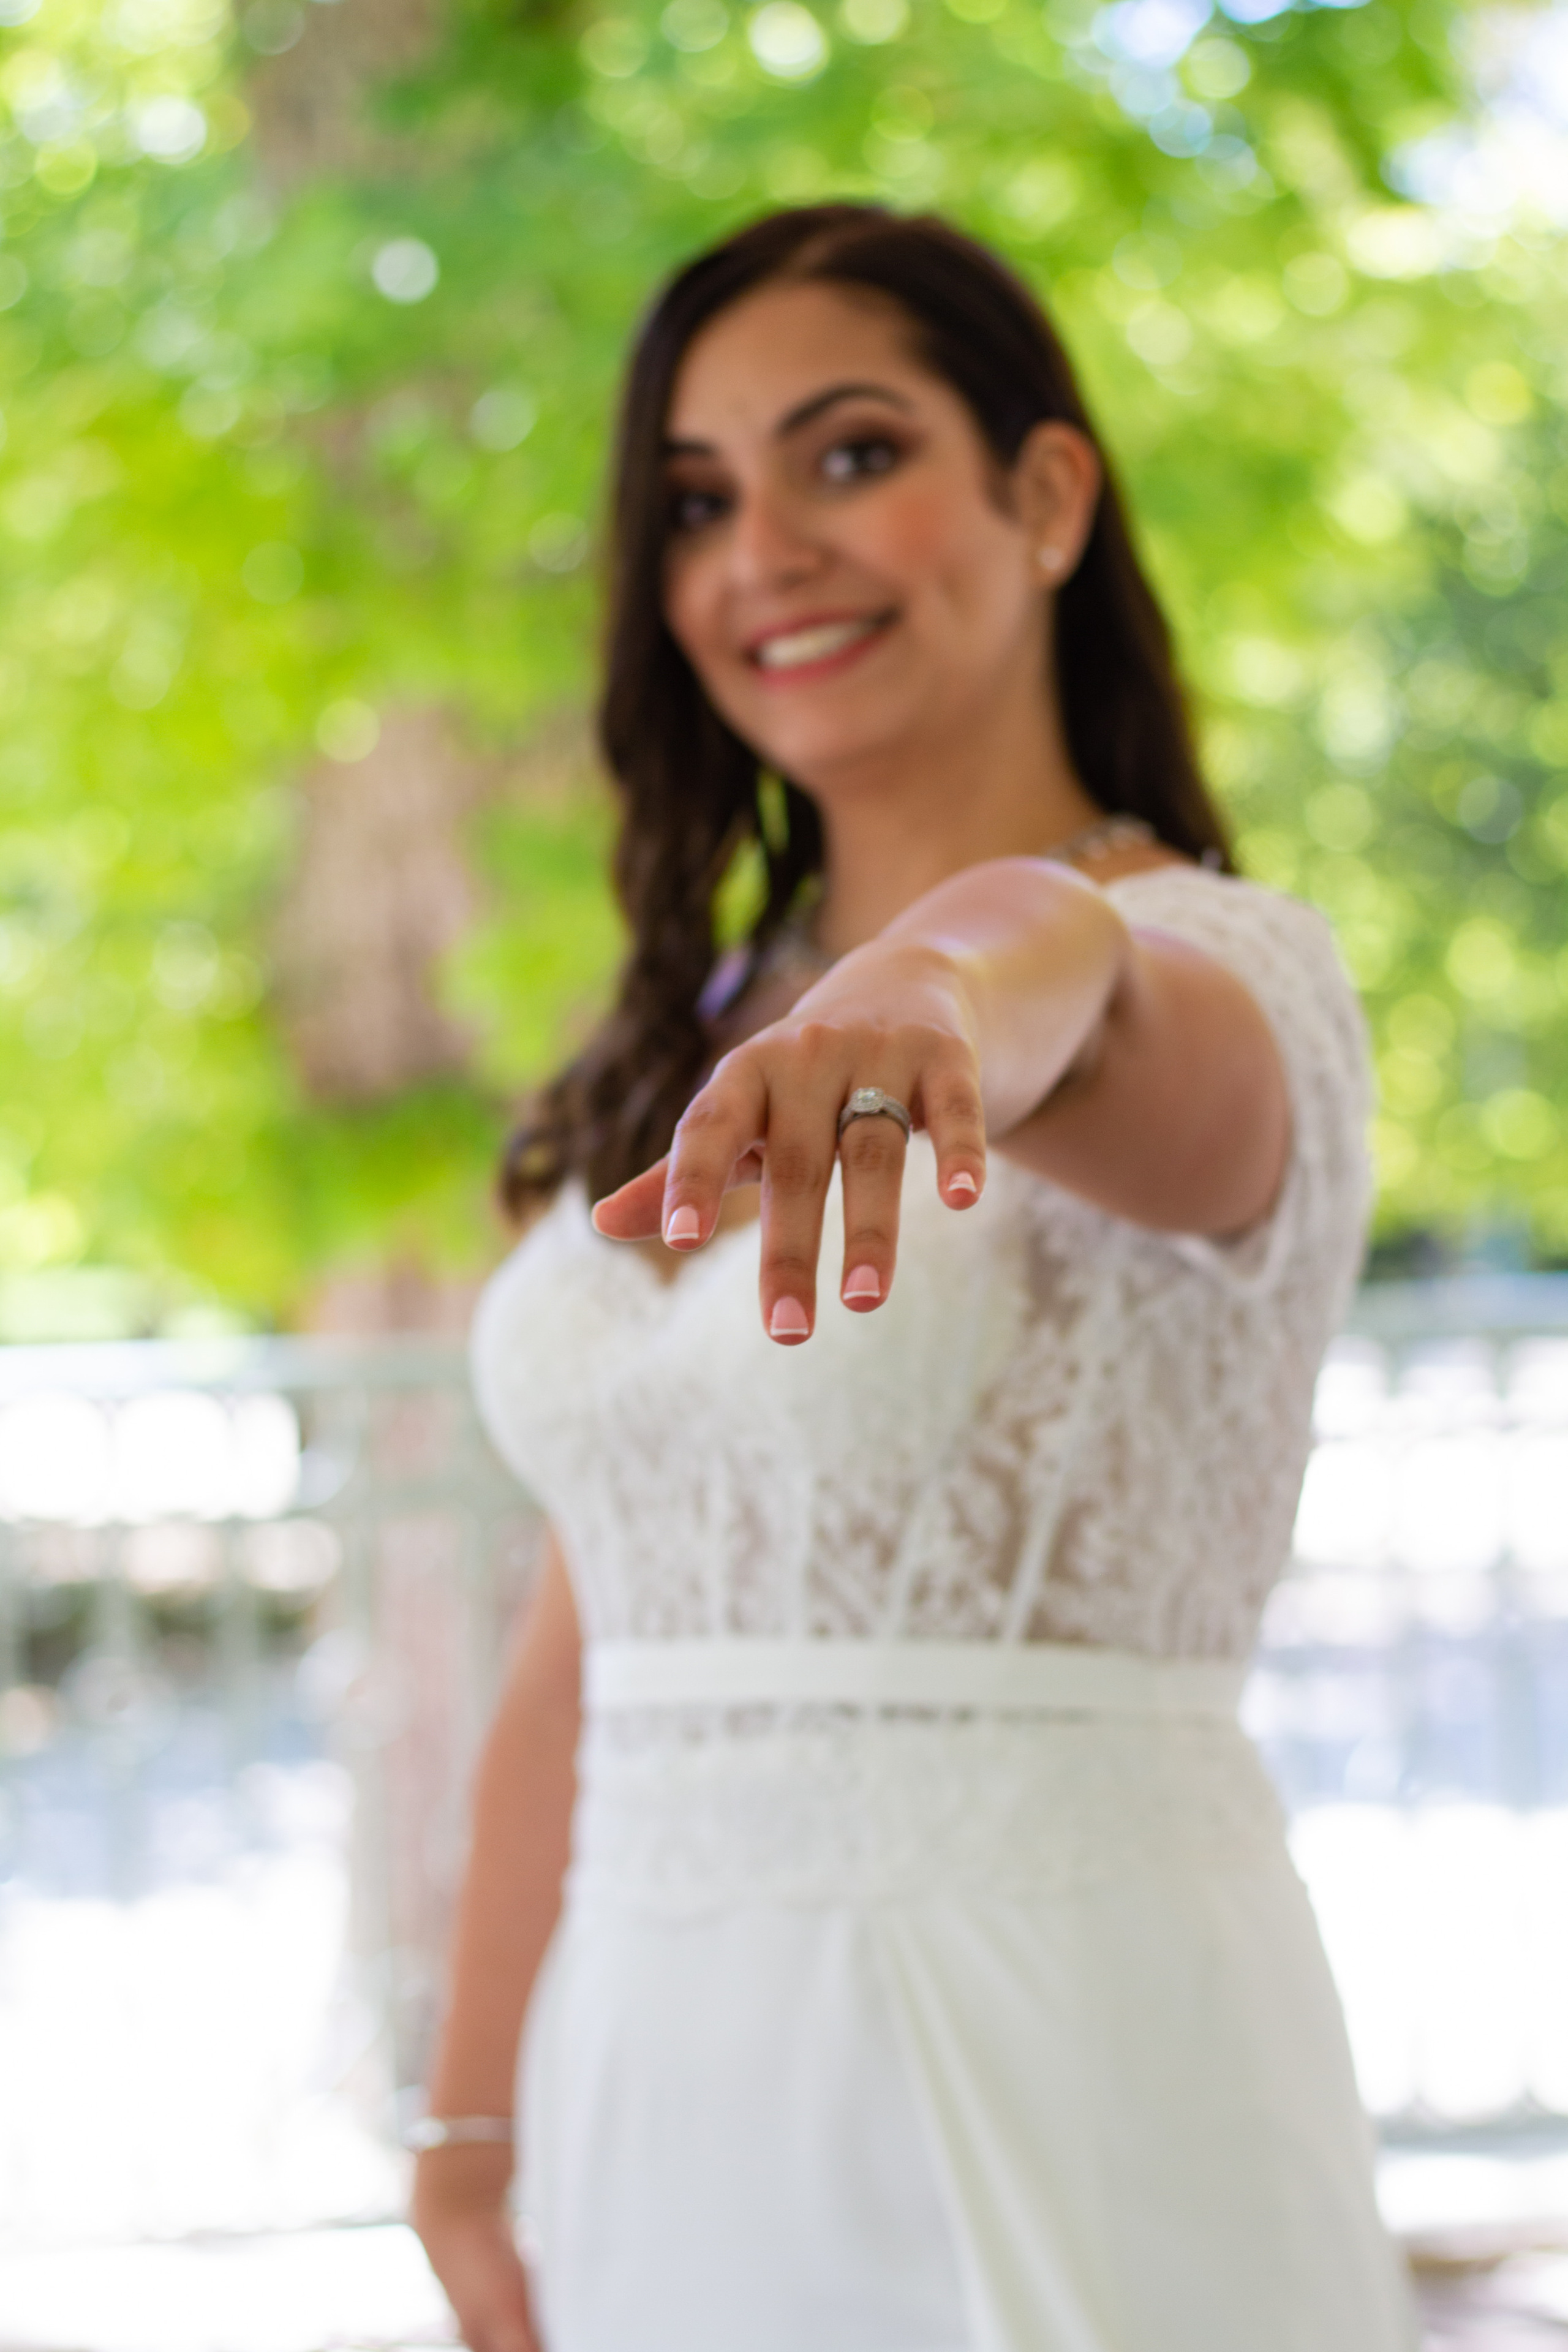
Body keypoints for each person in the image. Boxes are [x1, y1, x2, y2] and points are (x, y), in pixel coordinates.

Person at [412, 205, 1415, 2352]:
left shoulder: (1215, 977)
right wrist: (473, 2129)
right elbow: (580, 1655)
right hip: (658, 2084)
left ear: (1046, 495)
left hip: (1037, 2053)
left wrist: (944, 984)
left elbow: (1072, 987)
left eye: (849, 454)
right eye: (695, 500)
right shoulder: (685, 1048)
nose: (760, 546)